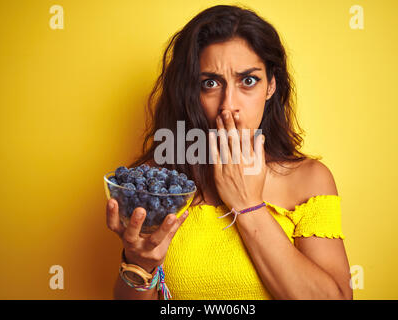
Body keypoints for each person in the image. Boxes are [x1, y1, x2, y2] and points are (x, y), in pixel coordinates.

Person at [106, 4, 353, 300]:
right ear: (190, 92)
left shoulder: (309, 180)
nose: (228, 106)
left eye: (248, 81)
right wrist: (139, 264)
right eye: (210, 84)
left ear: (271, 85)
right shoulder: (158, 183)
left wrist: (248, 206)